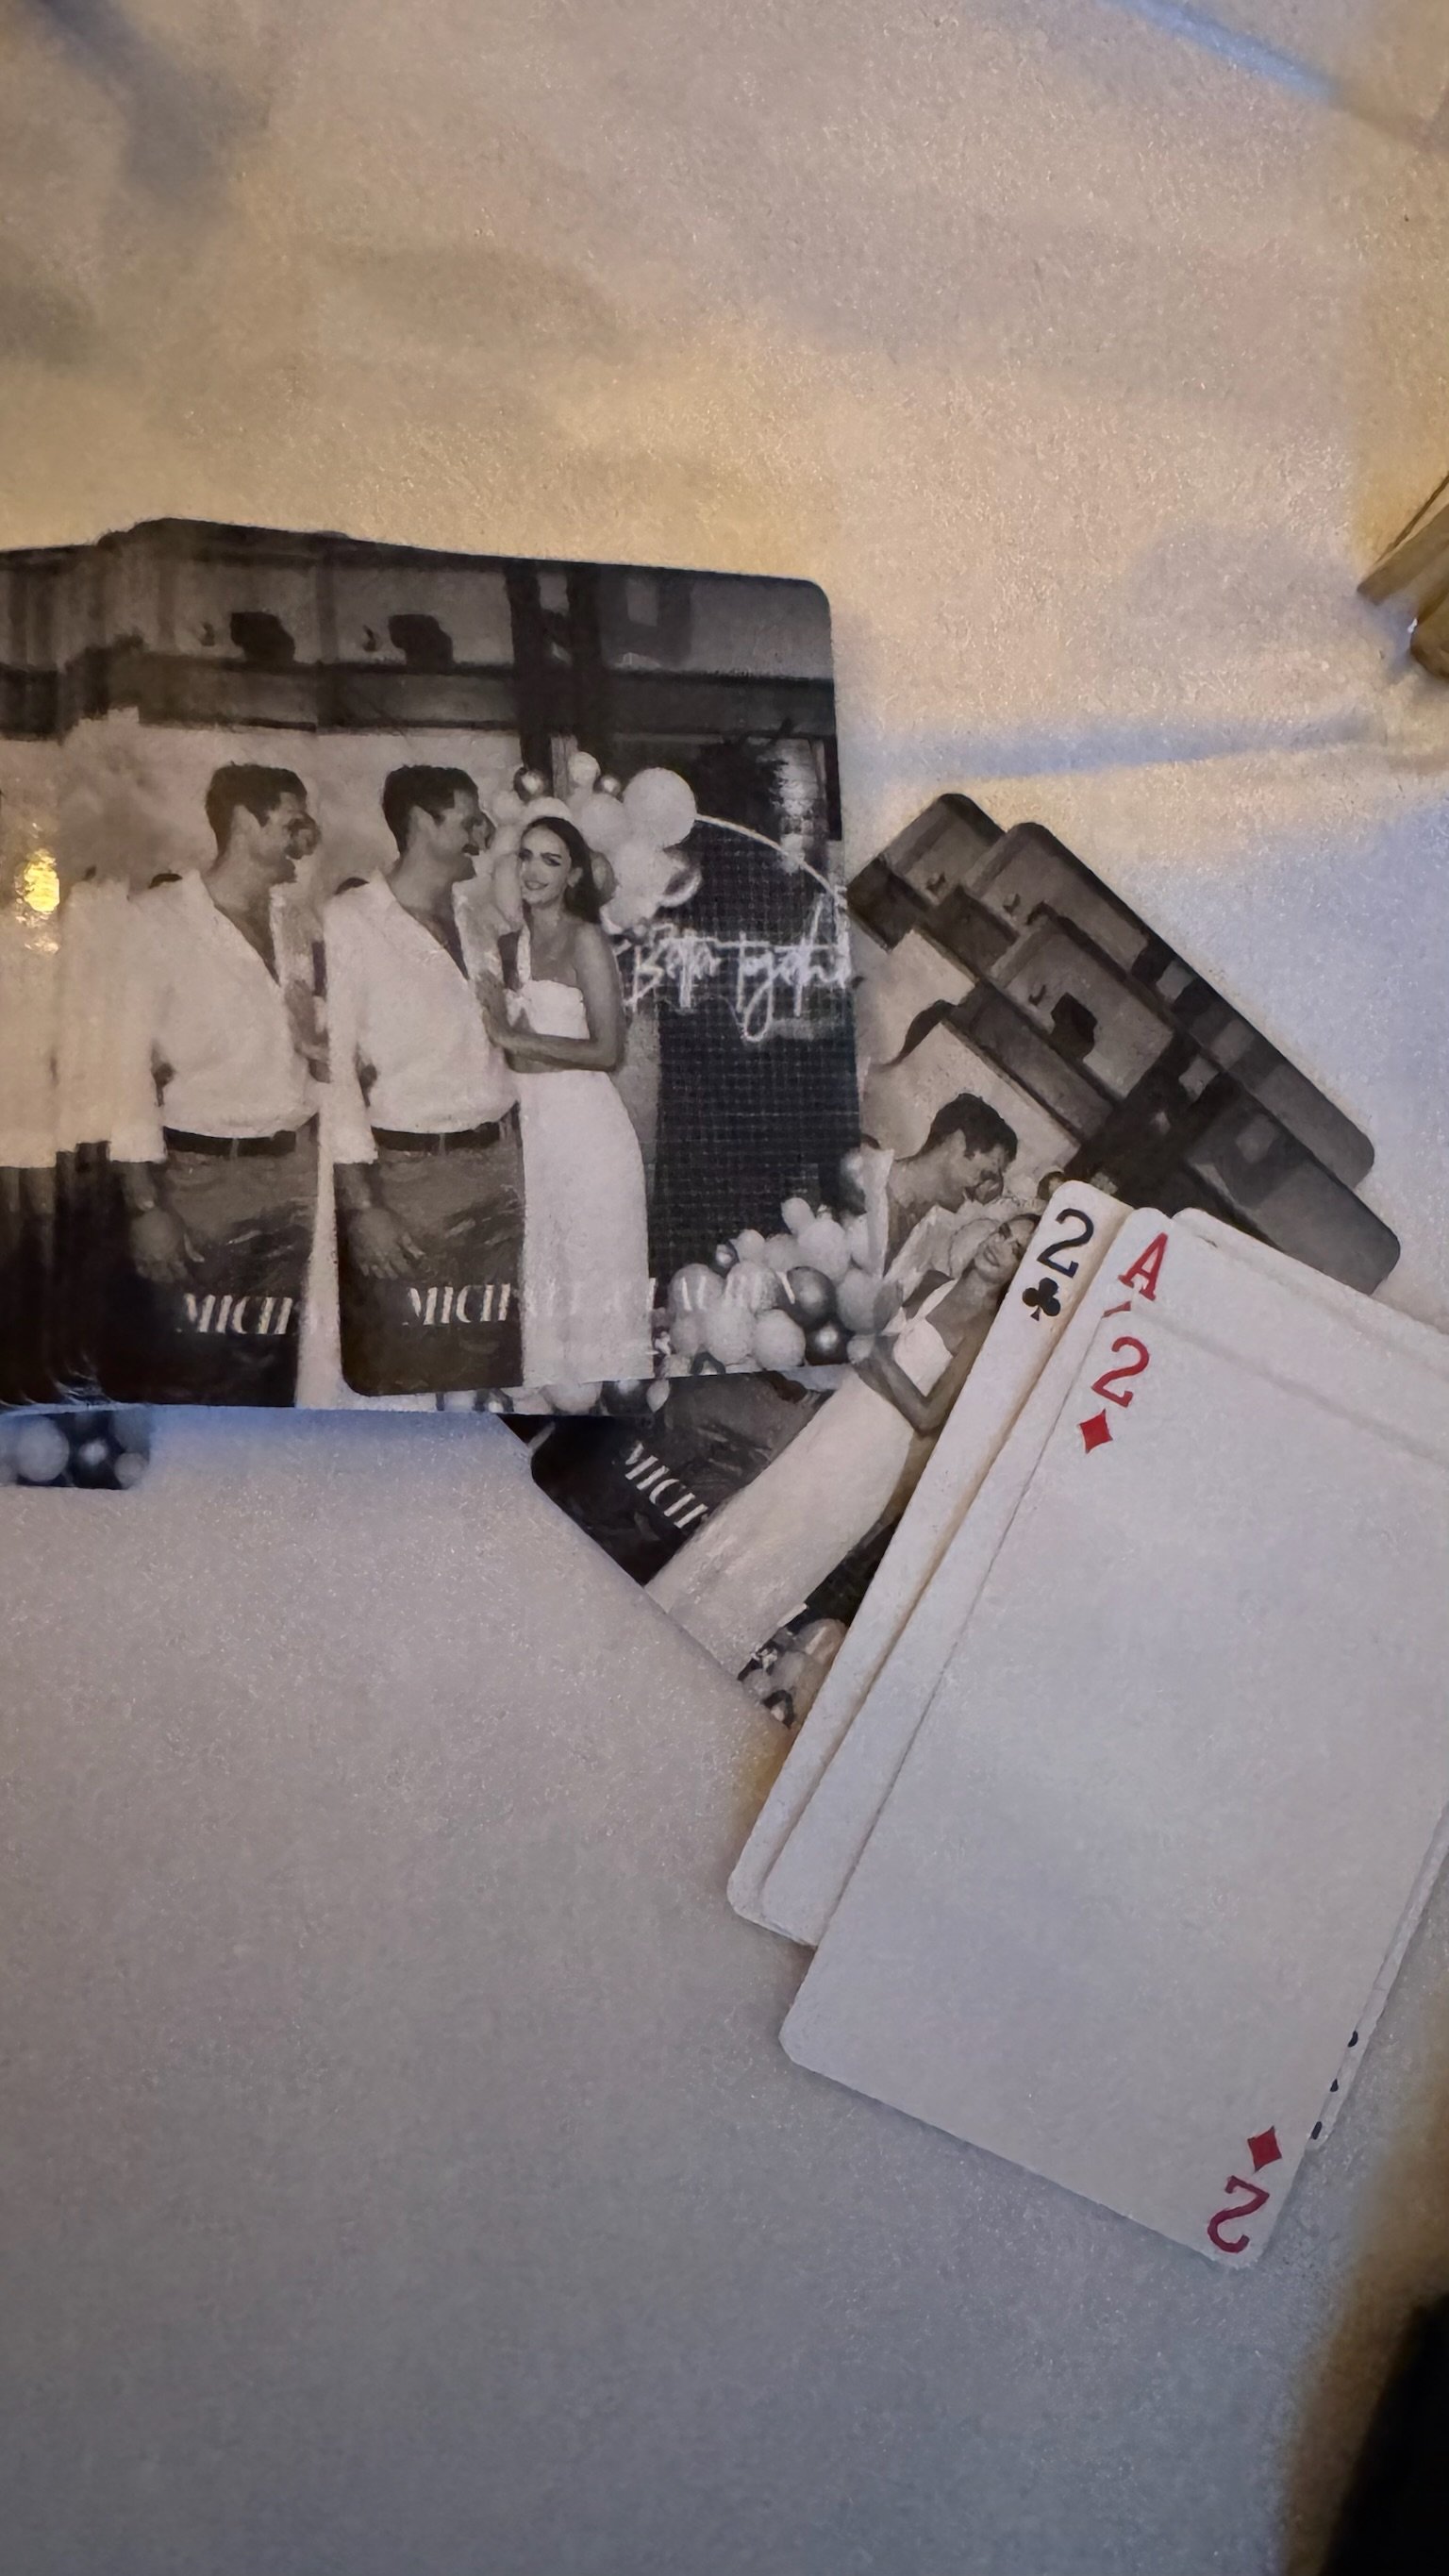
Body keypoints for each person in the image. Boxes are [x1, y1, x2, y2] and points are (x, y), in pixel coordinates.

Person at [645, 1206, 1038, 1674]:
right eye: (1002, 1232)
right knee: (757, 1514)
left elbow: (931, 1416)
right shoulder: (934, 1281)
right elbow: (865, 1342)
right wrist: (872, 1352)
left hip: (874, 1450)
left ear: (1020, 1273)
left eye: (1016, 1250)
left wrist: (880, 1362)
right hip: (838, 1415)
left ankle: (694, 1663)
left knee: (788, 1548)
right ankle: (659, 1615)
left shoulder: (983, 1332)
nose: (999, 1246)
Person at [106, 762, 320, 1402]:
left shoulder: (294, 920)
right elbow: (121, 1073)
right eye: (291, 823)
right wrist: (146, 1208)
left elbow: (308, 1036)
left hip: (292, 1176)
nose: (305, 839)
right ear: (244, 822)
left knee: (268, 1367)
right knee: (188, 1366)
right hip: (201, 1182)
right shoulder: (155, 921)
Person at [325, 764, 523, 1395]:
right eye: (467, 820)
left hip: (499, 1168)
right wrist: (363, 1208)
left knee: (491, 1361)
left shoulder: (475, 921)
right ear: (421, 823)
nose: (481, 834)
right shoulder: (348, 921)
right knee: (409, 1363)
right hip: (409, 1181)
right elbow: (333, 1077)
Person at [480, 814, 652, 1390]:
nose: (533, 871)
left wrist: (513, 1037)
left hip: (590, 1133)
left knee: (597, 1276)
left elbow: (608, 1050)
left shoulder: (586, 939)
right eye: (527, 856)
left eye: (551, 861)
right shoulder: (507, 948)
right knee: (544, 1276)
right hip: (533, 1133)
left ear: (572, 874)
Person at [859, 1092, 1018, 1300]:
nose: (981, 1194)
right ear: (957, 1142)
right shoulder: (861, 1168)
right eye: (985, 1175)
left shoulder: (931, 1244)